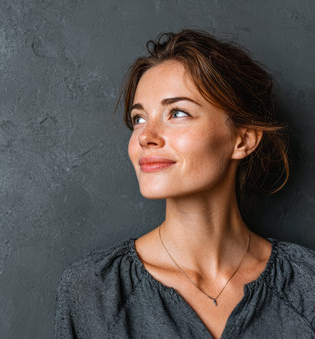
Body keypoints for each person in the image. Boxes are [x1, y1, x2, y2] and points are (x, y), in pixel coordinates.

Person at [54, 30, 315, 339]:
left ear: (242, 140)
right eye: (138, 119)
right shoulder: (95, 292)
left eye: (177, 113)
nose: (145, 136)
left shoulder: (306, 285)